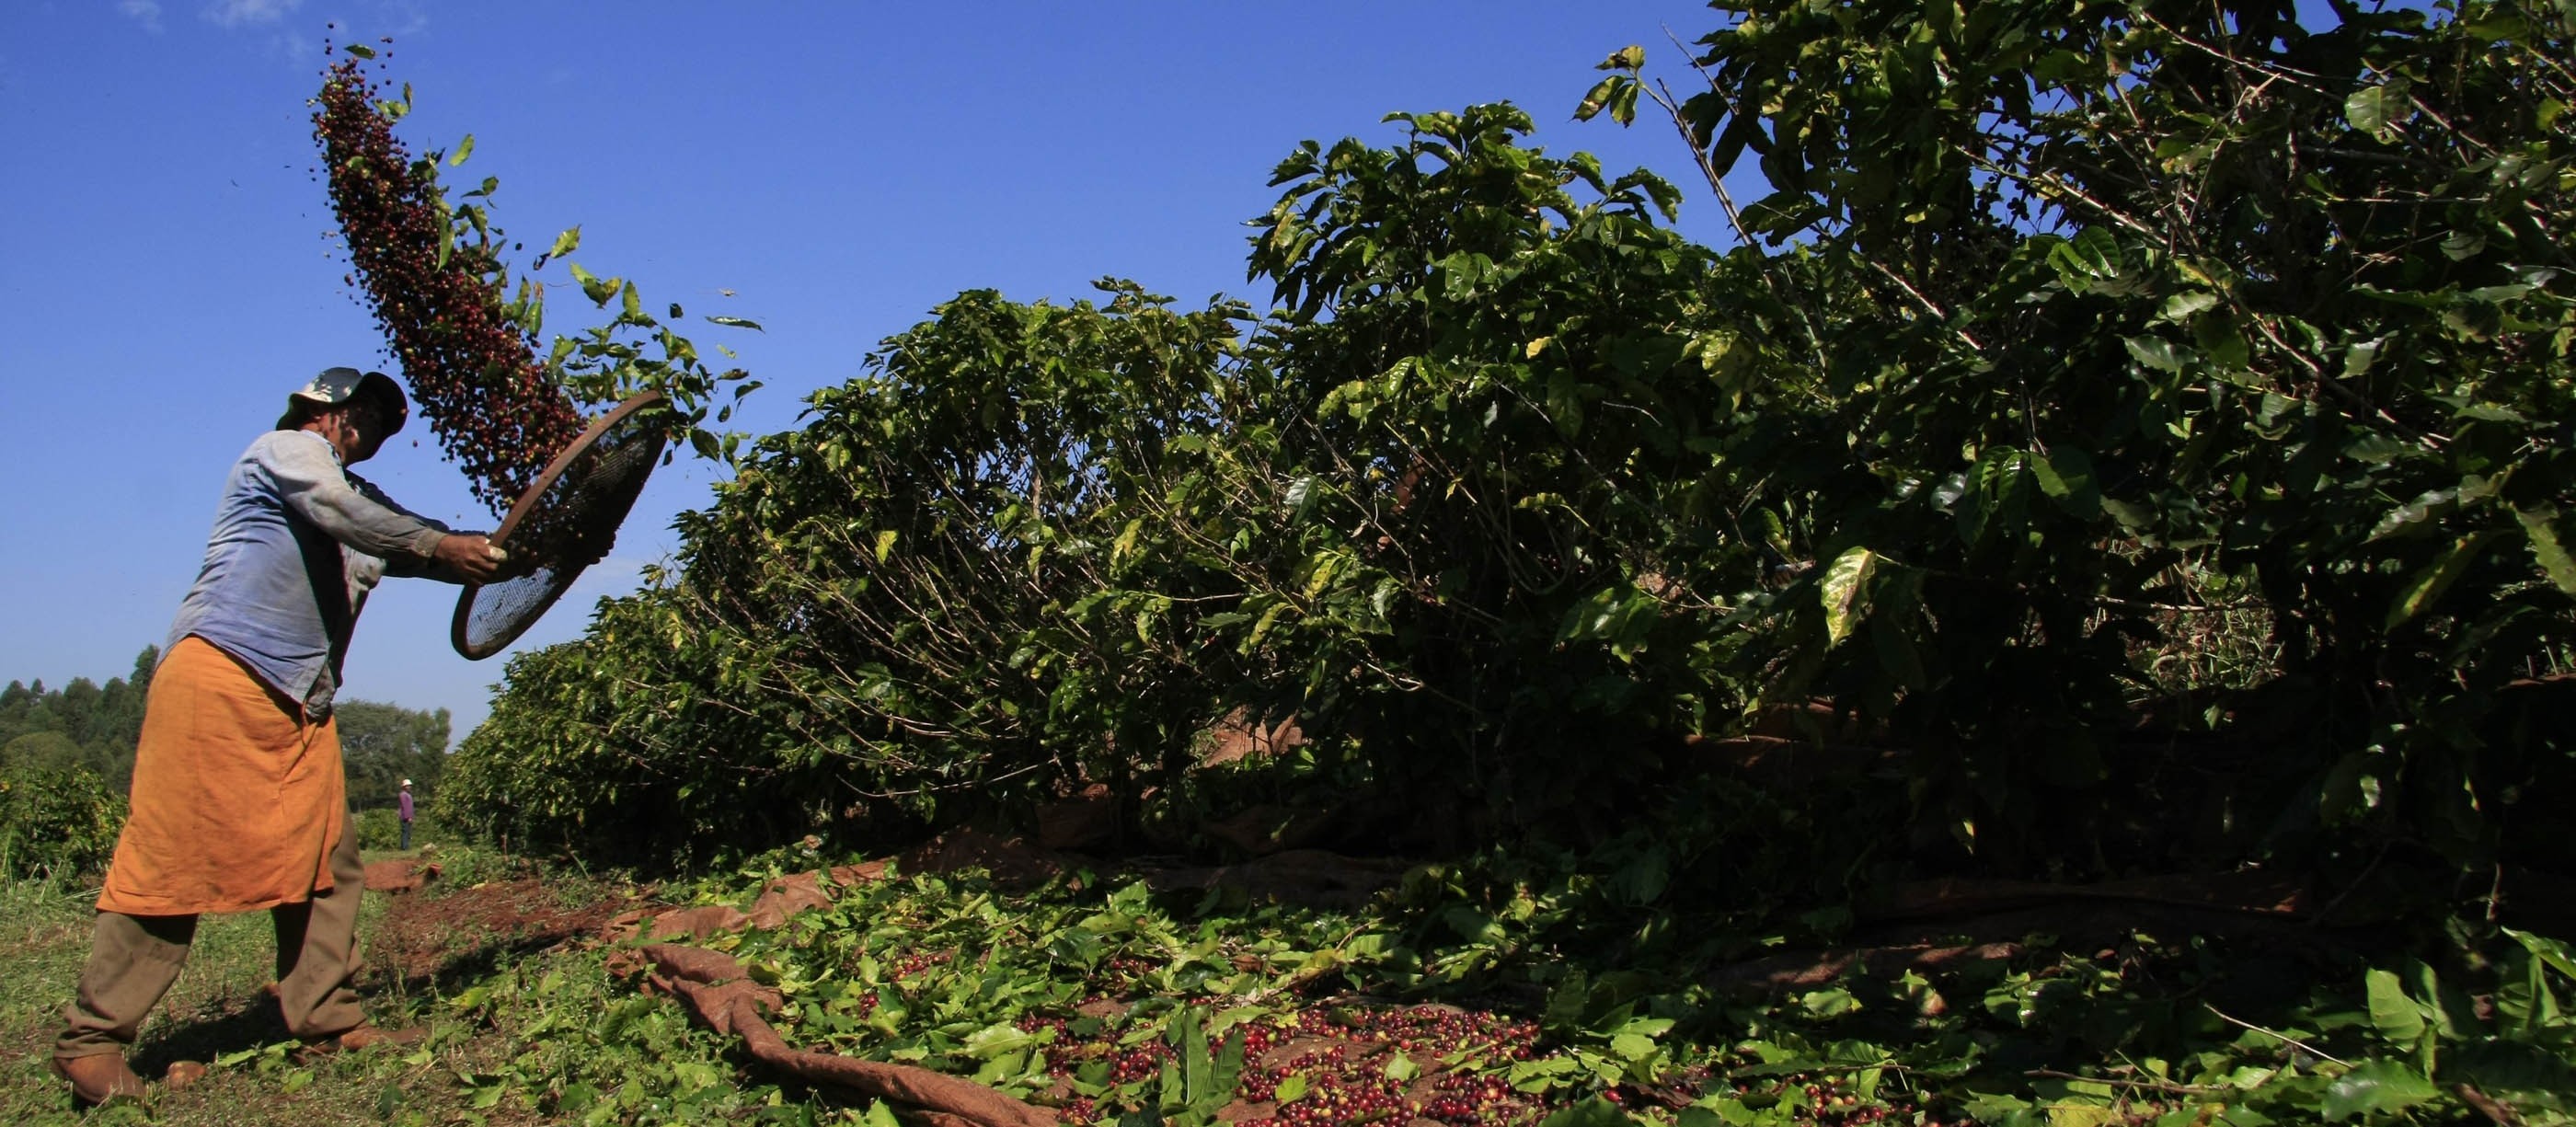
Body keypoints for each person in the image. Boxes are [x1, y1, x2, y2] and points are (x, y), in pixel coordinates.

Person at [52, 368, 508, 1107]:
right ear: (321, 409)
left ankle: (327, 1015)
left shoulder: (365, 505)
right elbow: (351, 513)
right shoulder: (286, 452)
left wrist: (519, 549)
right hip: (224, 674)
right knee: (172, 861)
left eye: (386, 422)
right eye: (360, 408)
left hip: (300, 702)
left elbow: (426, 549)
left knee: (329, 861)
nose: (370, 427)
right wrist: (438, 542)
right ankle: (92, 1039)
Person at [397, 778, 415, 850]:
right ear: (404, 787)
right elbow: (405, 807)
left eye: (410, 786)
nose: (409, 787)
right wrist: (408, 817)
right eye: (407, 786)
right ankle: (404, 847)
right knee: (405, 831)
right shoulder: (403, 795)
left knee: (408, 832)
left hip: (408, 816)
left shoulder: (408, 795)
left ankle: (405, 846)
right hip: (405, 817)